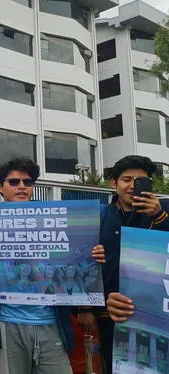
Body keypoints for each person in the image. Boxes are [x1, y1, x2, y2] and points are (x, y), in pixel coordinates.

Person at [0, 156, 106, 374]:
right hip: (6, 323)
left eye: (28, 182)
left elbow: (75, 267)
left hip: (50, 322)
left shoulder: (56, 221)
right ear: (0, 187)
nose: (22, 187)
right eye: (14, 182)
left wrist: (93, 256)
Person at [77, 155, 169, 373]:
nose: (132, 186)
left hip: (154, 312)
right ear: (113, 183)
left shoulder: (162, 212)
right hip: (108, 312)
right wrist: (83, 307)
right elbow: (79, 262)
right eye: (127, 179)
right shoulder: (97, 216)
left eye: (140, 181)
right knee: (112, 364)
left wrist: (159, 216)